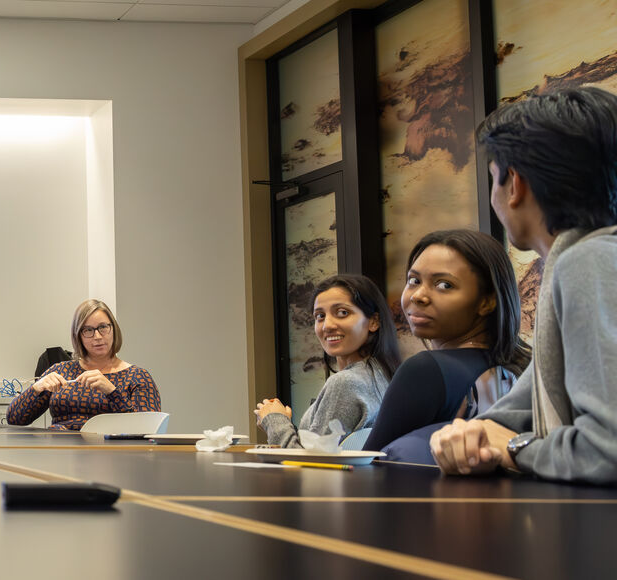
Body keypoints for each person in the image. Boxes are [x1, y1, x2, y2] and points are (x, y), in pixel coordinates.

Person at [430, 87, 617, 484]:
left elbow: (608, 449)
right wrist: (469, 436)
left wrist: (515, 448)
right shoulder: (580, 259)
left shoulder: (586, 262)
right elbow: (506, 417)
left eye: (493, 178)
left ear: (514, 184)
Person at [362, 229, 530, 453]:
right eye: (413, 280)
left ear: (487, 301)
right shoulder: (524, 366)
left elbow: (369, 464)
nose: (418, 295)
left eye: (444, 285)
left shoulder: (425, 370)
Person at [255, 274, 401, 448]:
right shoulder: (384, 375)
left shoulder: (345, 383)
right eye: (320, 316)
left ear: (374, 322)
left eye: (342, 313)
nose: (327, 325)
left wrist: (275, 421)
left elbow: (313, 465)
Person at [7, 299, 160, 430]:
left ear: (113, 329)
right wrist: (36, 388)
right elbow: (15, 419)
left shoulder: (137, 377)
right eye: (88, 330)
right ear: (78, 336)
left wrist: (111, 392)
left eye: (103, 327)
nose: (97, 336)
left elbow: (147, 429)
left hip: (110, 456)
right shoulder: (60, 371)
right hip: (60, 454)